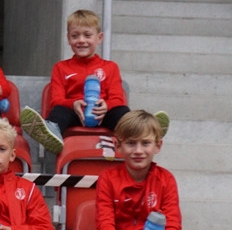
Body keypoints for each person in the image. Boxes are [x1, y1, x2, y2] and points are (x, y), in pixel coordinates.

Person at [89, 109, 203, 230]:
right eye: (131, 143)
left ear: (158, 145)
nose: (138, 150)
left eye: (145, 143)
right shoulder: (107, 179)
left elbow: (174, 226)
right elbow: (104, 228)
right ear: (118, 146)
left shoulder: (166, 179)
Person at [19, 9, 168, 155]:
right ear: (68, 39)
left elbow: (118, 98)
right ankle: (51, 135)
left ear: (99, 37)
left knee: (121, 112)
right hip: (74, 114)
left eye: (87, 35)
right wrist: (73, 104)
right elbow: (56, 100)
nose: (81, 40)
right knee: (59, 111)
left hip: (102, 114)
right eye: (75, 36)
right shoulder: (61, 67)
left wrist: (106, 106)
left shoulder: (110, 67)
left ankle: (146, 131)